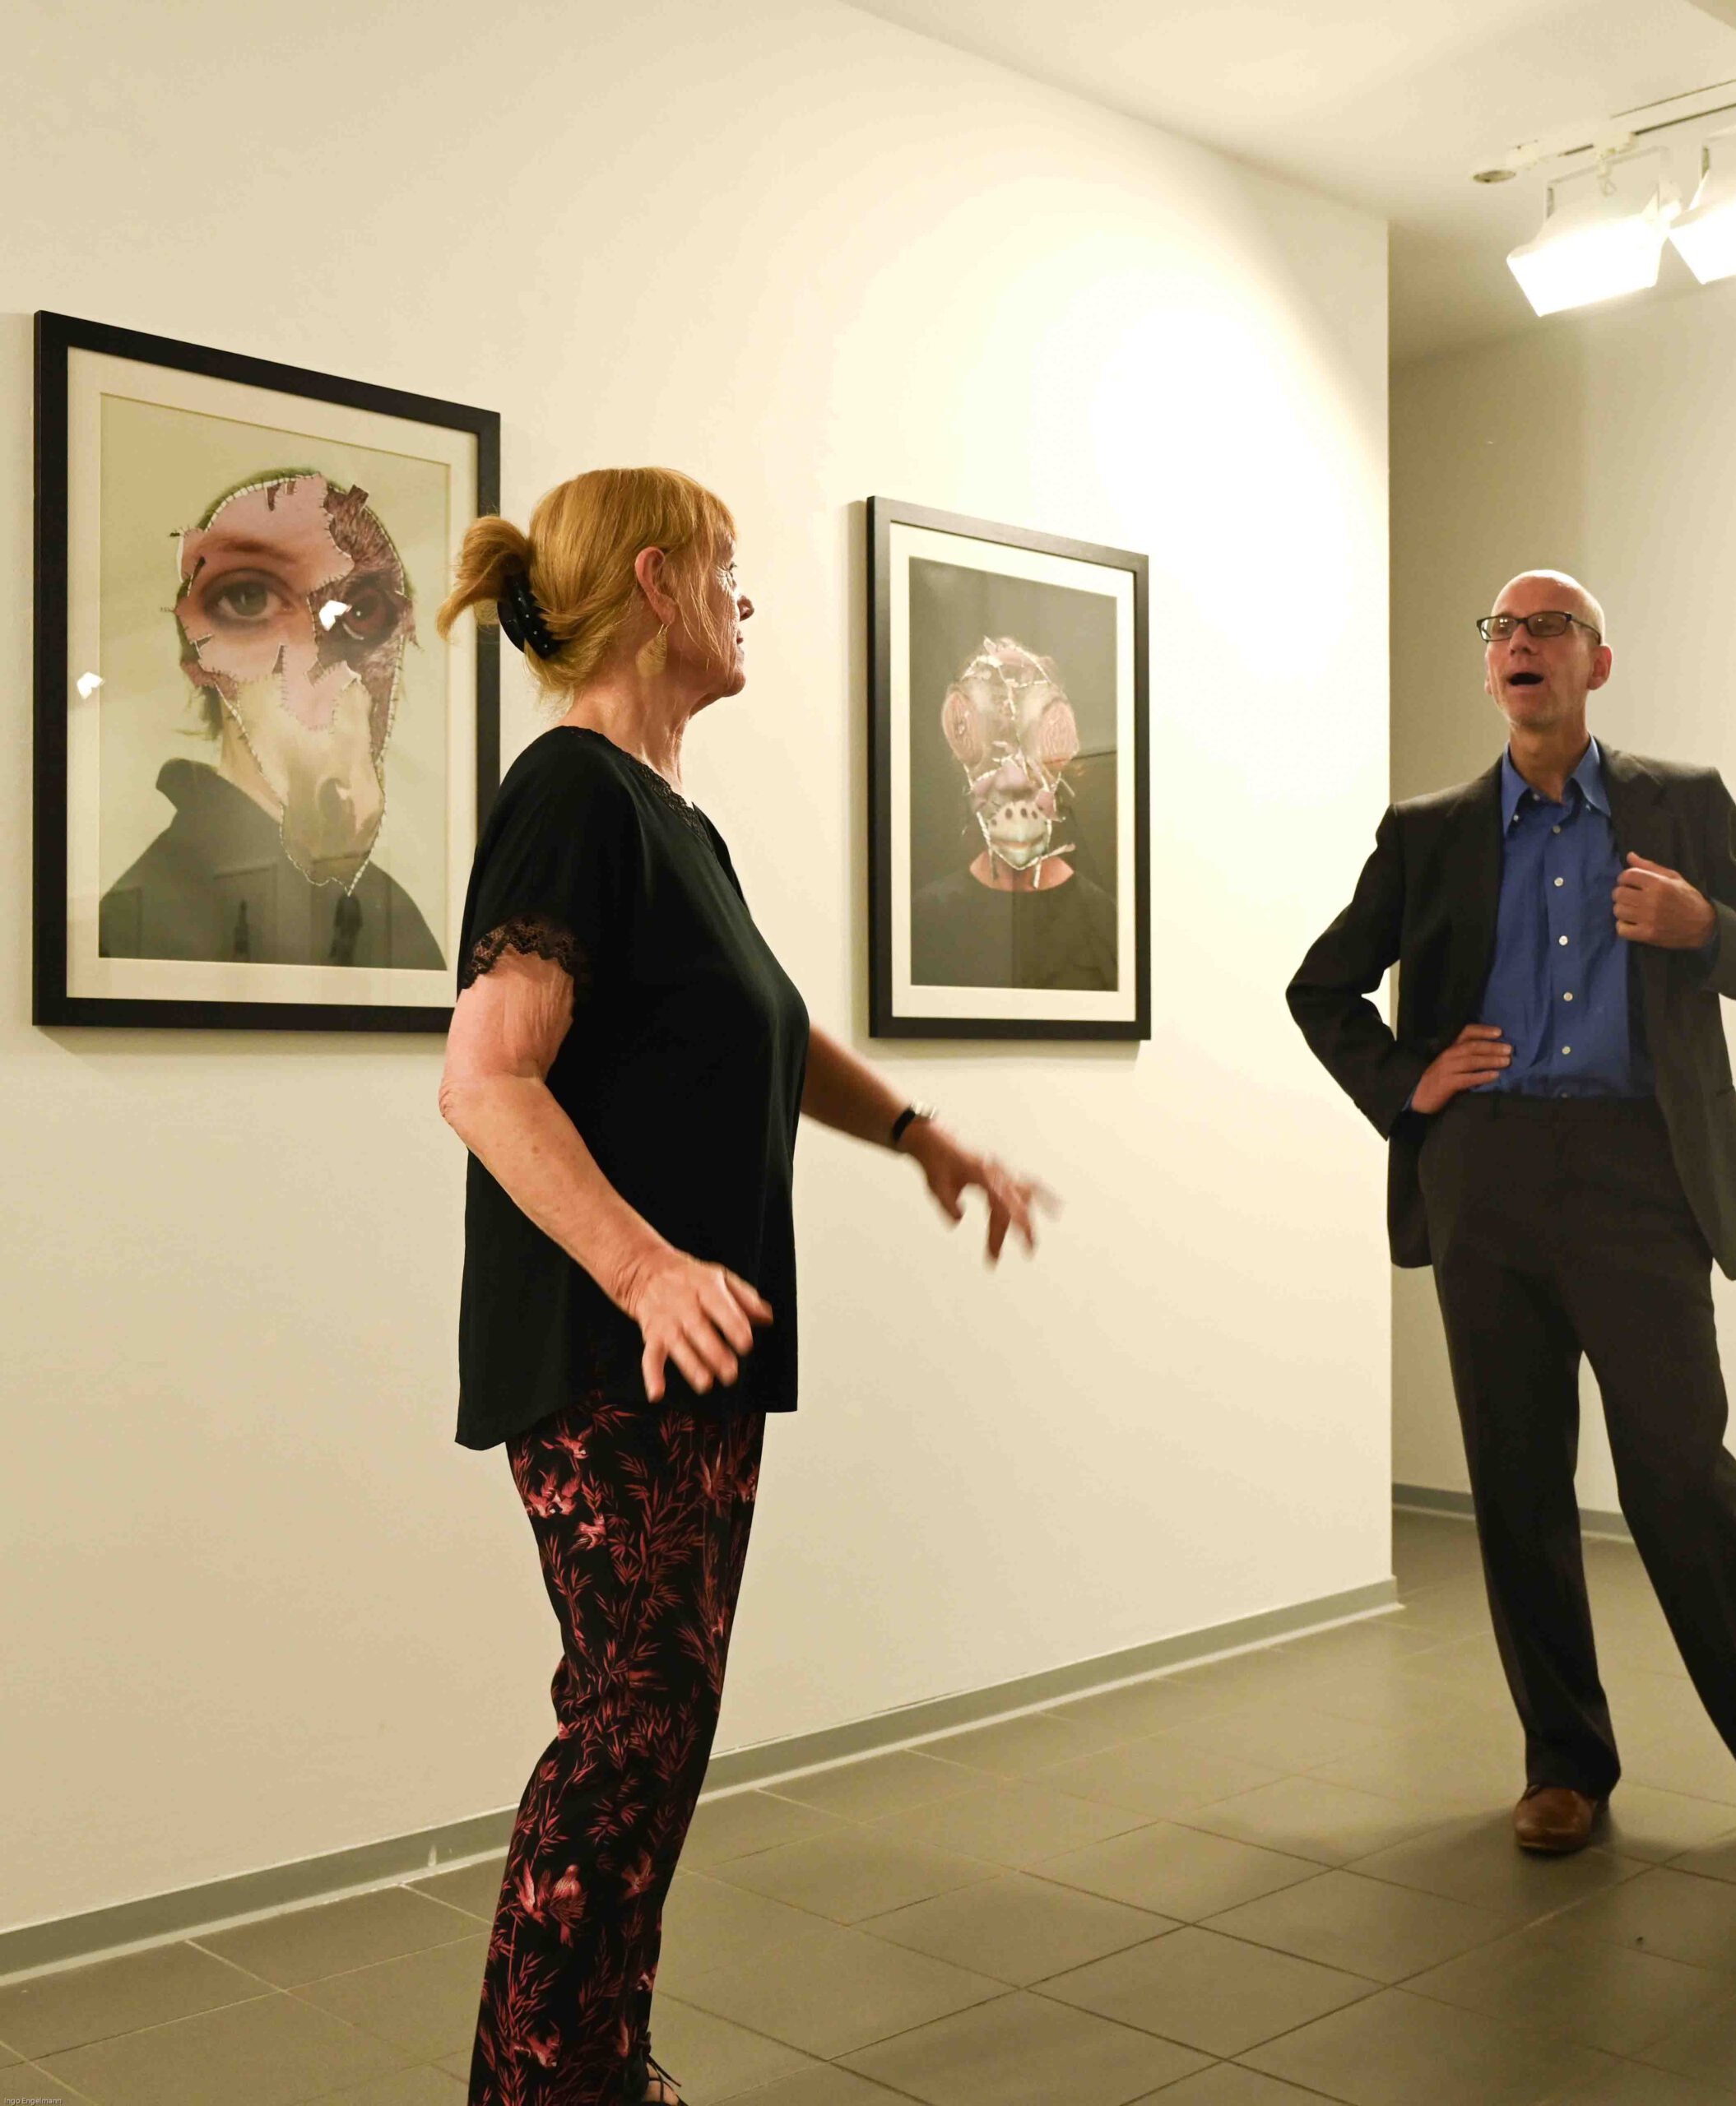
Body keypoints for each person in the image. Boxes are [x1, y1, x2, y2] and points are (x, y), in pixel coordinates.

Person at [435, 467, 1047, 2106]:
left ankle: (591, 2062)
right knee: (626, 1732)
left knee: (656, 1736)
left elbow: (767, 1027)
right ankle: (547, 2081)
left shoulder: (668, 821)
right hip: (607, 1351)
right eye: (727, 567)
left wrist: (919, 1135)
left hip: (686, 1356)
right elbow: (486, 1075)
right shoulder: (571, 793)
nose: (746, 598)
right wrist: (642, 1267)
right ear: (659, 582)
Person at [1286, 570, 1736, 1888]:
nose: (1522, 645)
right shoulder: (1431, 832)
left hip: (1640, 1179)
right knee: (1517, 1486)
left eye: (1549, 628)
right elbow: (1323, 985)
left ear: (1597, 663)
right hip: (1488, 1177)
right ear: (1492, 668)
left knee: (1686, 1484)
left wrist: (1701, 927)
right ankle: (1564, 1767)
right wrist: (1410, 1082)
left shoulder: (1679, 803)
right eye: (1504, 632)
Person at [100, 469, 442, 967]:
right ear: (202, 659)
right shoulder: (143, 918)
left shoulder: (393, 922)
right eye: (248, 599)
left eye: (363, 612)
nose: (321, 665)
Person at [909, 637, 1116, 990]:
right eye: (973, 736)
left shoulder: (1106, 924)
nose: (1014, 781)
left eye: (1047, 738)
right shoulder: (924, 922)